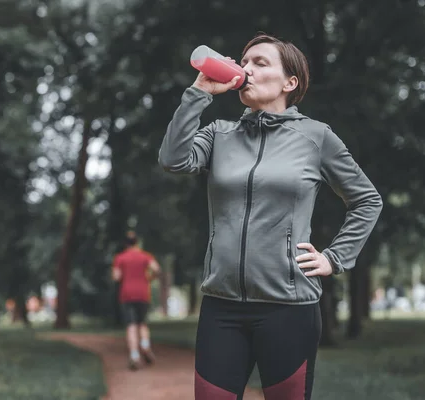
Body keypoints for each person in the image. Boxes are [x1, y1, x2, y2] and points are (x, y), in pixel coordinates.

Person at [158, 33, 383, 400]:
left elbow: (367, 200)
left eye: (260, 63)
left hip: (289, 308)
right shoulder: (219, 134)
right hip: (221, 306)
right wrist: (199, 93)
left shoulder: (316, 137)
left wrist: (334, 257)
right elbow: (173, 159)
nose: (246, 69)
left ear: (289, 82)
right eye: (243, 62)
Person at [112, 231, 162, 370]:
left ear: (125, 244)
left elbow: (116, 277)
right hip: (142, 293)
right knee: (142, 324)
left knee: (131, 325)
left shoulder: (120, 258)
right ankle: (145, 346)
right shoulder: (145, 256)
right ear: (137, 242)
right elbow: (157, 269)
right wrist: (150, 279)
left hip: (127, 295)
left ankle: (134, 355)